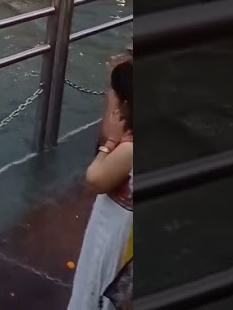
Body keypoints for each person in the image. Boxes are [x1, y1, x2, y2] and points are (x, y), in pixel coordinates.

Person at [67, 56, 133, 310]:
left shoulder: (129, 149)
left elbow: (95, 178)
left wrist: (110, 143)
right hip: (120, 229)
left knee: (96, 280)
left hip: (116, 231)